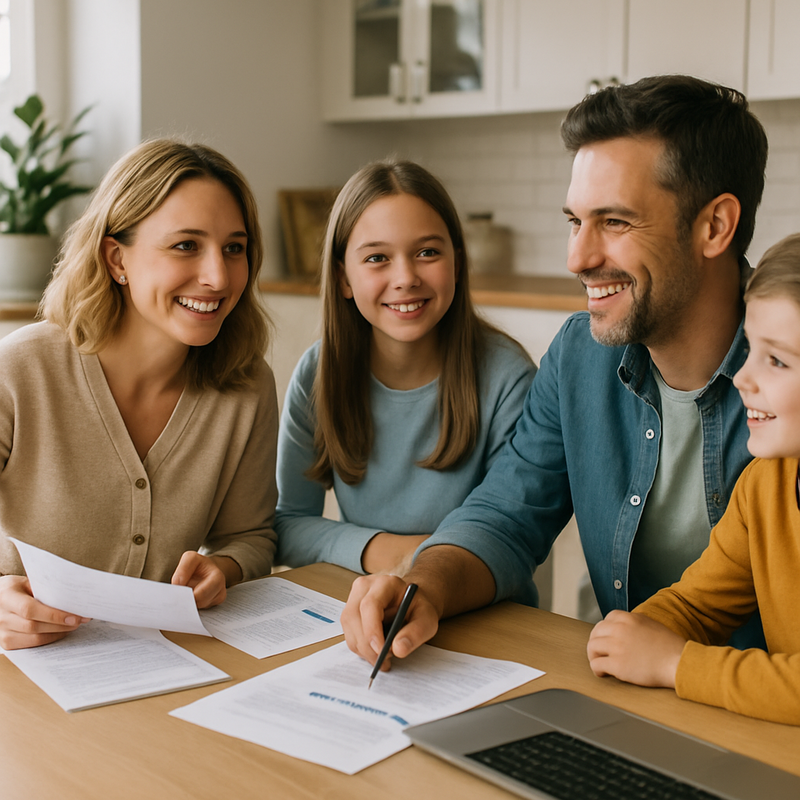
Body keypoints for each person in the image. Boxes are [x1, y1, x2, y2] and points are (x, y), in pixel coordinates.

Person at [340, 74, 770, 670]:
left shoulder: (787, 373)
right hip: (630, 692)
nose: (578, 258)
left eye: (614, 223)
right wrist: (425, 585)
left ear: (714, 227)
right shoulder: (579, 356)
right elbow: (508, 514)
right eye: (575, 221)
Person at [0, 139, 278, 650]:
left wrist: (224, 567)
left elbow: (252, 537)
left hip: (162, 666)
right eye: (186, 245)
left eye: (234, 248)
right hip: (23, 673)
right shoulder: (18, 370)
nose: (218, 277)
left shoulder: (246, 384)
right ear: (116, 258)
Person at [274, 159, 535, 575]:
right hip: (363, 609)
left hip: (483, 616)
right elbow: (287, 526)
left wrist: (422, 562)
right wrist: (394, 552)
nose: (406, 277)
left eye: (427, 252)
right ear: (344, 278)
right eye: (377, 257)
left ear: (458, 262)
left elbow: (509, 538)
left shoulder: (507, 378)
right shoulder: (317, 372)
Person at [587, 233, 800, 725]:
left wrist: (673, 663)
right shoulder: (763, 487)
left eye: (777, 360)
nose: (743, 378)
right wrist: (632, 634)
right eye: (752, 350)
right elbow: (698, 605)